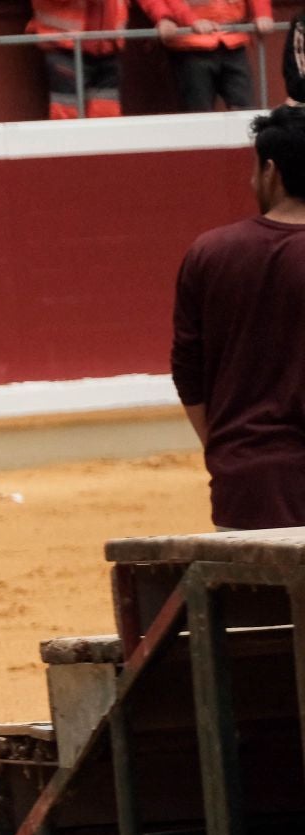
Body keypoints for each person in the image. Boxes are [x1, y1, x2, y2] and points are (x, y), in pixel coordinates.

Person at [172, 106, 305, 530]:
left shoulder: (210, 252)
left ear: (271, 172)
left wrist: (224, 450)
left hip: (246, 481)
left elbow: (187, 369)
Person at [139, 0, 275, 112]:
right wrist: (189, 20)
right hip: (190, 45)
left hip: (233, 40)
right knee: (199, 113)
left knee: (245, 110)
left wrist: (263, 13)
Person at [29, 1, 129, 119]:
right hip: (65, 49)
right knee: (67, 119)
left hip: (106, 50)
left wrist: (158, 16)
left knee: (106, 116)